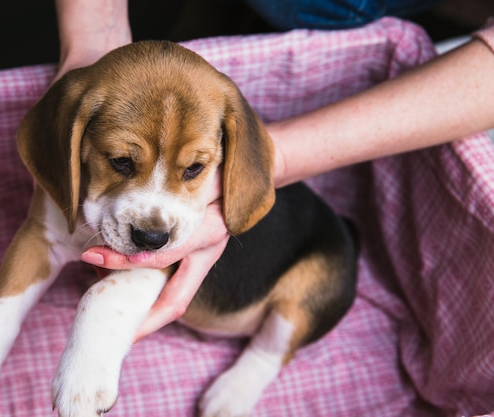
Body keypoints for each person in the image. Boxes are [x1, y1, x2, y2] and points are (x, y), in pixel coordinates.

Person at [55, 0, 494, 340]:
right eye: (121, 161)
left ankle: (264, 361)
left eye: (193, 168)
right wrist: (94, 38)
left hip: (303, 260)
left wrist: (274, 160)